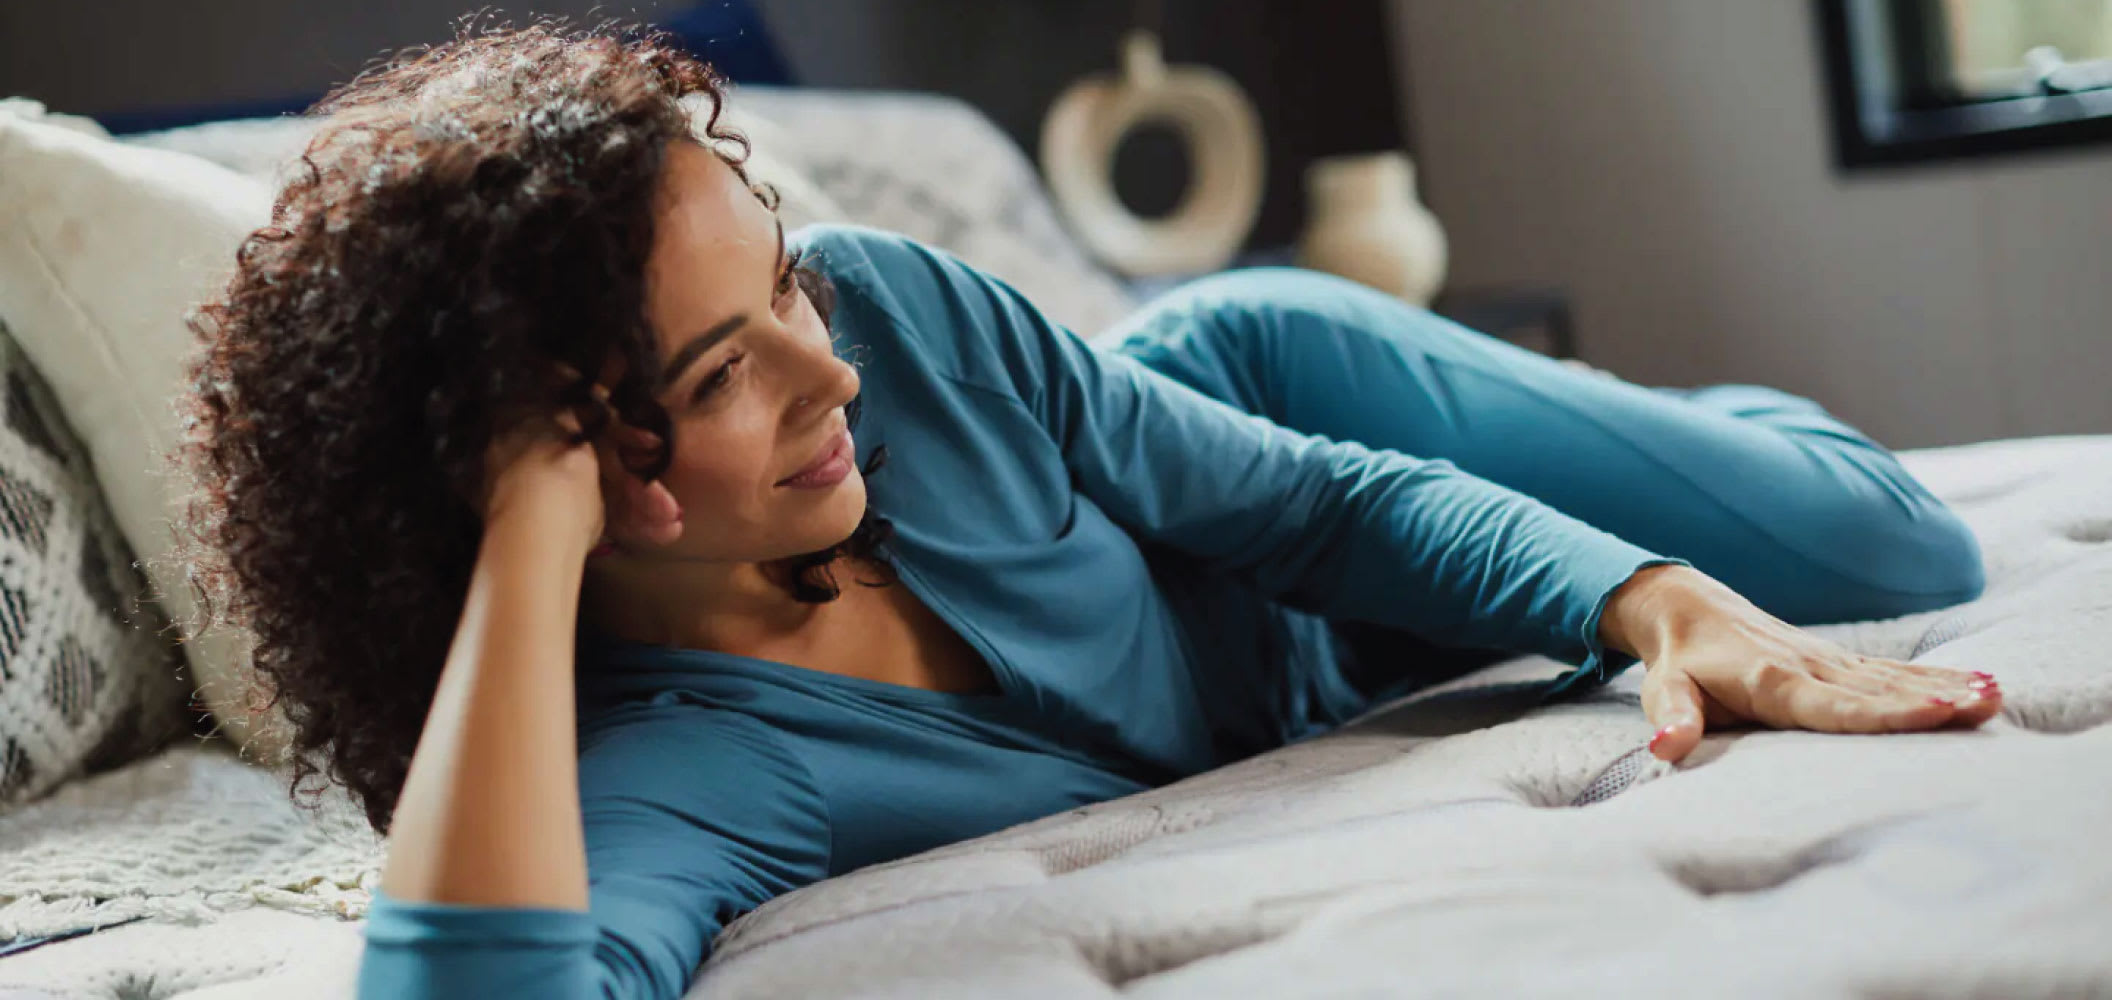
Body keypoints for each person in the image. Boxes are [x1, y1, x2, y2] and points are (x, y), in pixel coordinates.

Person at [171, 24, 1998, 1000]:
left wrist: (1652, 593)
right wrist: (522, 548)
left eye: (788, 285)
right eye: (726, 373)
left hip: (1272, 407)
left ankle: (1687, 432)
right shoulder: (679, 771)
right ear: (563, 480)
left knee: (1896, 555)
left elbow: (1306, 503)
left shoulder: (900, 316)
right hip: (1335, 661)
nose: (835, 372)